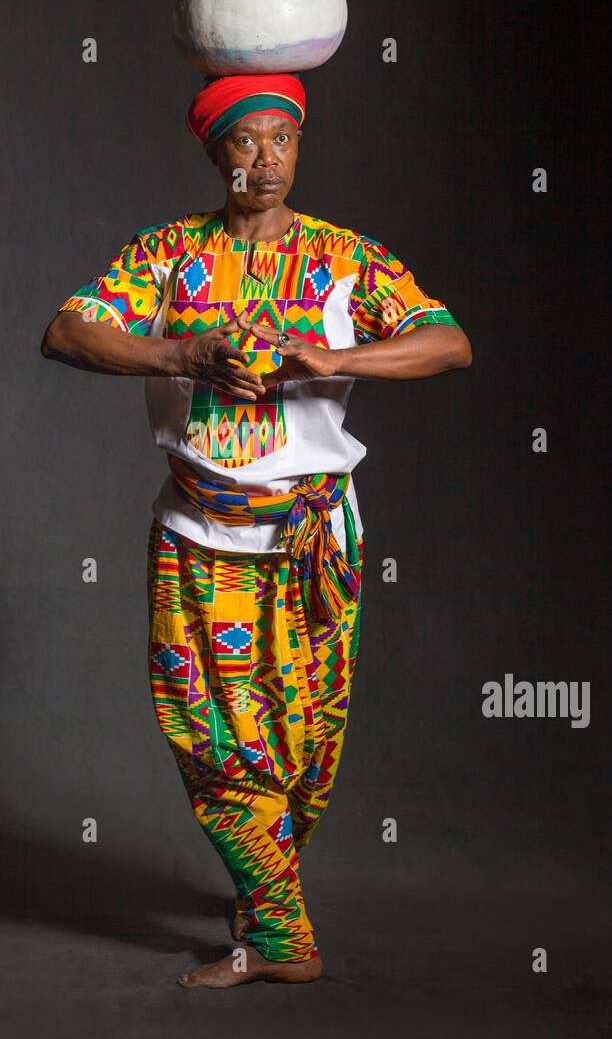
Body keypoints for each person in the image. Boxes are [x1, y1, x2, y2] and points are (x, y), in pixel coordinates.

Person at [40, 72, 472, 989]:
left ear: (300, 146)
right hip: (198, 538)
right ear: (215, 151)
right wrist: (181, 352)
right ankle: (280, 939)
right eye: (246, 140)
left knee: (306, 746)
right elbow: (67, 333)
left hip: (314, 541)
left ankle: (264, 899)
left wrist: (331, 356)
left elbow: (448, 342)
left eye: (283, 138)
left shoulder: (344, 259)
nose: (266, 158)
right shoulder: (167, 254)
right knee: (211, 737)